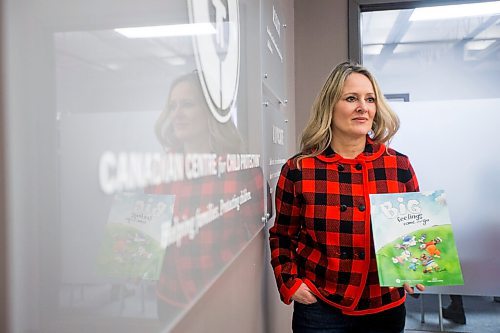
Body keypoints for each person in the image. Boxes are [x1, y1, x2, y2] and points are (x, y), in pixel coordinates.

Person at [269, 61, 425, 333]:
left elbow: (411, 231)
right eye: (351, 98)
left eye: (370, 99)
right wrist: (290, 282)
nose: (362, 107)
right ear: (330, 106)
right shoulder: (299, 169)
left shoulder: (398, 166)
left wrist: (415, 267)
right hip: (321, 309)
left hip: (384, 306)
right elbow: (282, 235)